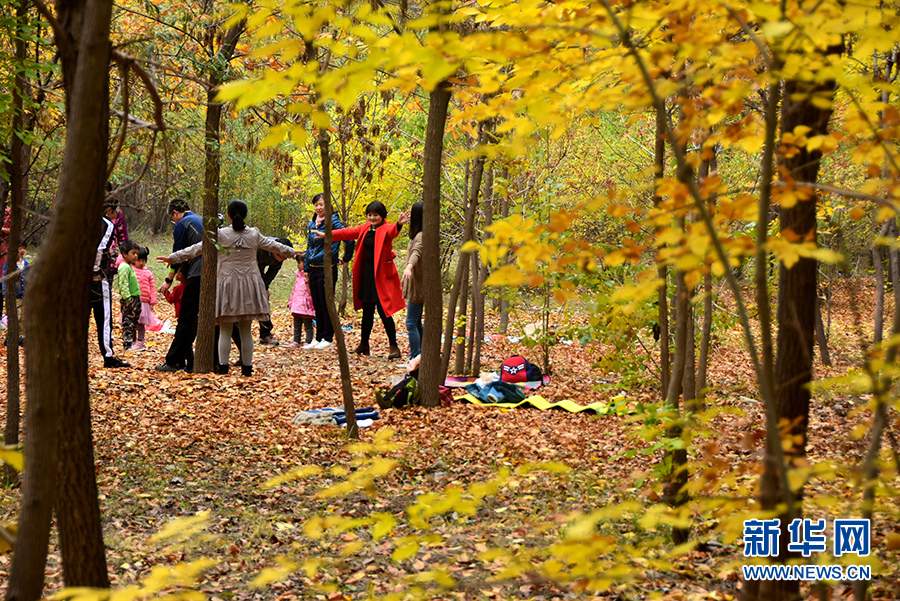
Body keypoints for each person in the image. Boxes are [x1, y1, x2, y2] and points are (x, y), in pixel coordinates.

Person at [159, 199, 296, 377]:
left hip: (227, 285)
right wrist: (295, 253)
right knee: (246, 329)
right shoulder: (254, 234)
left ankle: (223, 367)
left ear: (229, 215)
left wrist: (174, 257)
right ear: (245, 215)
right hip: (249, 286)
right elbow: (275, 245)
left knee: (225, 328)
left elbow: (197, 249)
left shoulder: (220, 234)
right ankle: (247, 368)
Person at [325, 200, 409, 359]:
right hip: (367, 276)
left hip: (381, 277)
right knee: (367, 312)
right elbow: (348, 232)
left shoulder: (386, 228)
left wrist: (399, 224)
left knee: (385, 312)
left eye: (375, 215)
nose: (371, 218)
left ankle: (394, 347)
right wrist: (328, 235)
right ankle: (364, 344)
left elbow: (393, 232)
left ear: (382, 215)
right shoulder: (365, 227)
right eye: (369, 215)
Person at [304, 193, 355, 350]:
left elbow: (349, 238)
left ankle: (328, 337)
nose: (318, 207)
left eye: (321, 204)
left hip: (327, 268)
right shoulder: (313, 223)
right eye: (316, 205)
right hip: (313, 269)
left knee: (327, 304)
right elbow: (309, 247)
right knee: (317, 304)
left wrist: (346, 257)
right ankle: (318, 338)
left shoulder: (333, 221)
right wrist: (306, 269)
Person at [157, 198, 202, 373]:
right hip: (215, 274)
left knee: (185, 319)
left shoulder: (182, 224)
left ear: (175, 213)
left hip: (197, 274)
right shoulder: (202, 220)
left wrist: (169, 280)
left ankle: (175, 361)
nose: (173, 221)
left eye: (172, 218)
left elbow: (178, 254)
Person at [93, 202, 129, 368]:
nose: (118, 214)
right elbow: (100, 249)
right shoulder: (107, 225)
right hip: (98, 280)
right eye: (117, 211)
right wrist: (95, 272)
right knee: (104, 318)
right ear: (109, 210)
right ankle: (108, 356)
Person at [257, 238, 294, 345]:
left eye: (284, 258)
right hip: (248, 270)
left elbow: (270, 275)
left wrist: (265, 287)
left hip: (260, 273)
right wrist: (259, 287)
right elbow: (254, 269)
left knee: (264, 300)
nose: (282, 259)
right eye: (280, 256)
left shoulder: (279, 259)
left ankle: (265, 334)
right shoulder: (260, 249)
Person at [401, 202, 424, 363]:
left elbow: (417, 252)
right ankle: (420, 355)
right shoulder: (418, 234)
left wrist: (409, 266)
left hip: (418, 285)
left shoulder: (421, 235)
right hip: (417, 284)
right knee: (416, 322)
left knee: (410, 323)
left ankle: (414, 357)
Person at [133, 246, 162, 350]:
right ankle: (133, 341)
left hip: (144, 302)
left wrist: (152, 300)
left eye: (143, 261)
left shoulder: (148, 273)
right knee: (133, 322)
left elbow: (152, 287)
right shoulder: (131, 270)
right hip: (133, 301)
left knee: (141, 323)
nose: (141, 263)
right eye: (139, 260)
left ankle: (140, 342)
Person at [2, 239, 28, 347]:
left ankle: (21, 337)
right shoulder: (10, 264)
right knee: (15, 317)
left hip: (24, 296)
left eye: (24, 248)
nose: (22, 251)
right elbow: (5, 279)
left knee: (23, 318)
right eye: (20, 248)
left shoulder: (25, 263)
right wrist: (6, 293)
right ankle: (9, 337)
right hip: (15, 296)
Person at [117, 241, 142, 352]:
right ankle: (127, 345)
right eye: (133, 253)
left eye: (137, 253)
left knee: (134, 322)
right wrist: (127, 298)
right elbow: (123, 284)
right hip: (129, 299)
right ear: (124, 254)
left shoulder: (129, 267)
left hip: (135, 298)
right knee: (128, 322)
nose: (136, 256)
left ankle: (132, 343)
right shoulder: (124, 267)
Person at [286, 254, 315, 349]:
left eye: (299, 263)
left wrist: (307, 281)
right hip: (297, 305)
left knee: (308, 325)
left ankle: (308, 341)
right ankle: (296, 341)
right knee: (297, 325)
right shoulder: (298, 276)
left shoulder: (309, 276)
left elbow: (311, 291)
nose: (298, 265)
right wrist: (291, 302)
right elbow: (294, 290)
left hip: (306, 306)